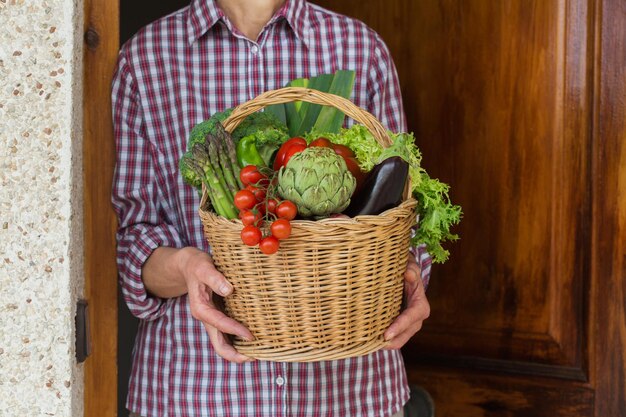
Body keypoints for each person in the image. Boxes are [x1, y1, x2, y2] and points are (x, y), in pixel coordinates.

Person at [112, 0, 431, 416]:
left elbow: (404, 211)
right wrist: (188, 267)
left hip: (349, 391)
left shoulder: (360, 49)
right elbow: (133, 242)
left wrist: (411, 276)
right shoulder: (145, 58)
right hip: (195, 392)